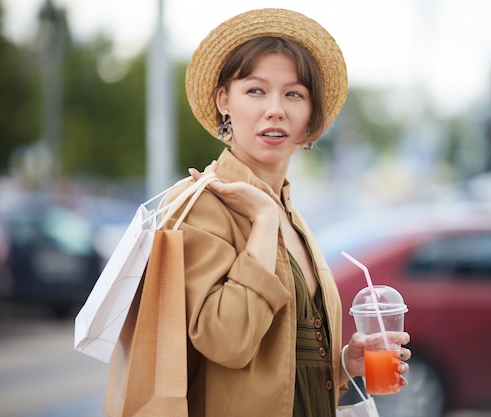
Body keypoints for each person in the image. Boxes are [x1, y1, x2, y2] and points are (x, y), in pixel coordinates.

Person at [165, 8, 411, 417]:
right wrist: (262, 222)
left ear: (311, 117)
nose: (275, 109)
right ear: (224, 101)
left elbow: (283, 370)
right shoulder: (198, 206)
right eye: (256, 91)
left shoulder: (293, 214)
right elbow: (226, 342)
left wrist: (345, 364)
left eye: (294, 94)